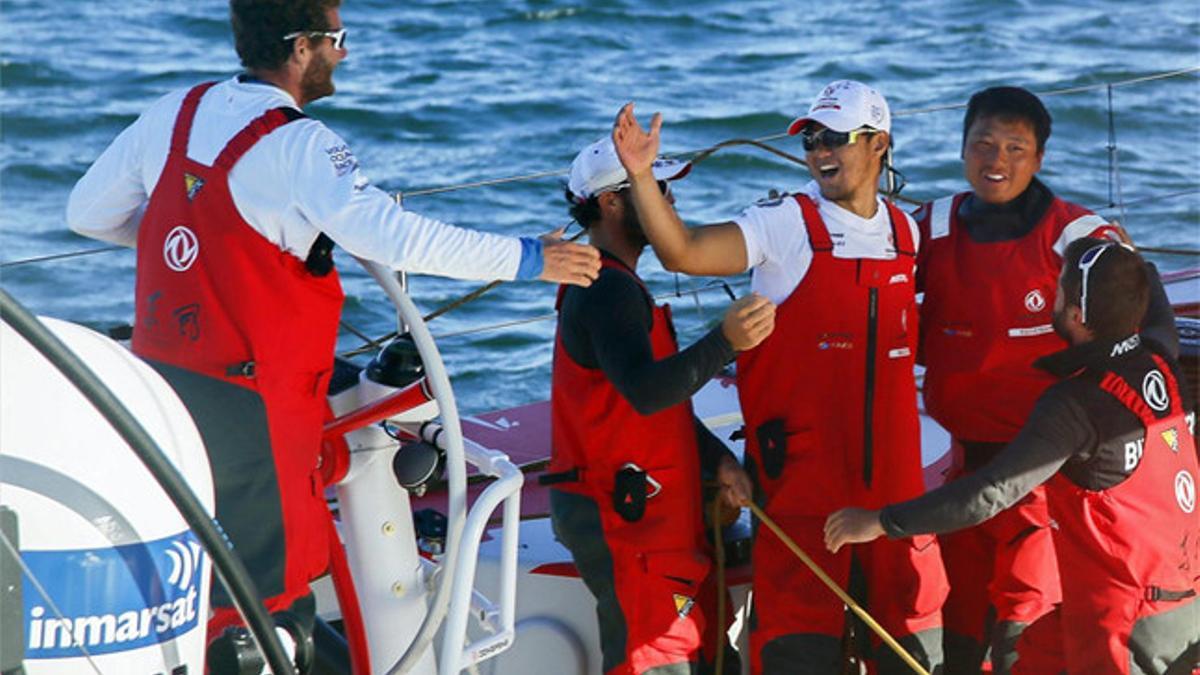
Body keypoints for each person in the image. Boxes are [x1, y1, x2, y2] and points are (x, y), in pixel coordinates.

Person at [64, 0, 600, 648]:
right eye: (336, 38)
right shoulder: (301, 146)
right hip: (257, 416)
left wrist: (196, 252)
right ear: (300, 48)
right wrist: (530, 259)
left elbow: (88, 212)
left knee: (200, 585)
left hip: (164, 395)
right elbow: (397, 237)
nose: (344, 53)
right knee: (270, 609)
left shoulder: (174, 113)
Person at [612, 80, 947, 674]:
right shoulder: (784, 225)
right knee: (799, 649)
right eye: (812, 137)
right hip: (801, 499)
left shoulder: (908, 234)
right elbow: (684, 252)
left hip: (895, 503)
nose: (819, 150)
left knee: (911, 645)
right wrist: (641, 178)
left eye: (835, 137)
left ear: (879, 144)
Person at [826, 238, 1200, 675]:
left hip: (1123, 624)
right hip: (1179, 600)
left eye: (1059, 289)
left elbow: (992, 493)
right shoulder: (1160, 360)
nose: (1053, 295)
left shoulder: (1075, 403)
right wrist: (1136, 263)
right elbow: (1158, 317)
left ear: (1077, 317)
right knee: (1034, 656)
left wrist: (879, 522)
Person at [913, 85, 1180, 673]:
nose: (996, 161)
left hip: (1044, 478)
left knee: (1019, 630)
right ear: (961, 150)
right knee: (958, 627)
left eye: (1015, 148)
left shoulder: (1073, 233)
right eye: (983, 144)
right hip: (965, 463)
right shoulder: (930, 226)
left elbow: (1137, 292)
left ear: (1039, 159)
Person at [546, 137, 770, 674]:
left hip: (645, 512)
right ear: (611, 203)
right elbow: (647, 393)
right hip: (623, 518)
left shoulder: (611, 282)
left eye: (663, 187)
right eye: (653, 188)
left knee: (698, 650)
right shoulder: (607, 289)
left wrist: (716, 459)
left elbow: (651, 403)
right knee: (654, 655)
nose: (666, 201)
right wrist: (725, 341)